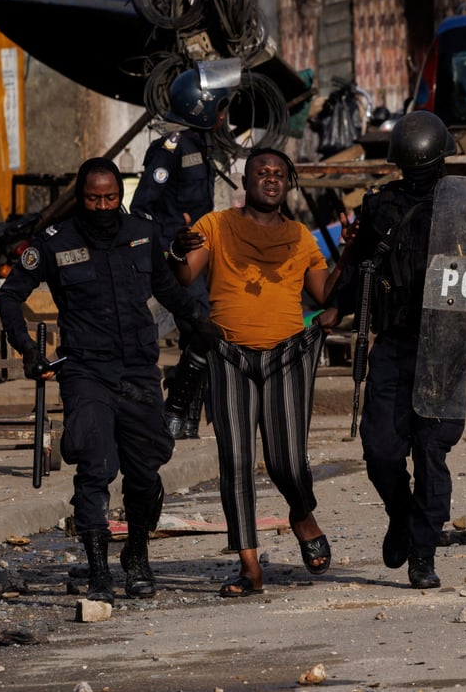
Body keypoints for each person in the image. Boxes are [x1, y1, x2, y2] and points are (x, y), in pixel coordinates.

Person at [0, 157, 211, 604]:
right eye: (94, 198)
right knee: (95, 469)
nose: (102, 206)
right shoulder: (55, 242)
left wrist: (200, 321)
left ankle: (137, 555)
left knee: (145, 472)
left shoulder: (143, 232)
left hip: (138, 370)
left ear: (119, 196)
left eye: (110, 197)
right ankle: (98, 572)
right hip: (86, 371)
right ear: (81, 197)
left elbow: (167, 289)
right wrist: (28, 350)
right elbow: (10, 296)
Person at [170, 147, 338, 597]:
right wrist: (177, 249)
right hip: (229, 356)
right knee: (236, 461)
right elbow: (185, 276)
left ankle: (302, 515)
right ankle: (249, 567)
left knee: (288, 461)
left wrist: (353, 252)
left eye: (279, 173)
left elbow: (324, 292)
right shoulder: (215, 225)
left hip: (288, 356)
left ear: (288, 183)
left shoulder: (300, 236)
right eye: (262, 172)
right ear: (245, 182)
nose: (271, 178)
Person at [322, 111, 465, 589]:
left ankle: (423, 554)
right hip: (395, 345)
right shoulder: (381, 208)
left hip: (445, 351)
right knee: (381, 451)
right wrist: (337, 308)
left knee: (431, 452)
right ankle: (400, 514)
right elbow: (361, 267)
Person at [131, 64, 232, 439]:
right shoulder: (169, 149)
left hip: (199, 254)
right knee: (201, 326)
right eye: (220, 108)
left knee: (201, 332)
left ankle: (186, 417)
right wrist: (163, 249)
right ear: (201, 107)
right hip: (176, 257)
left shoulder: (200, 145)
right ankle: (176, 407)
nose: (223, 117)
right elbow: (142, 206)